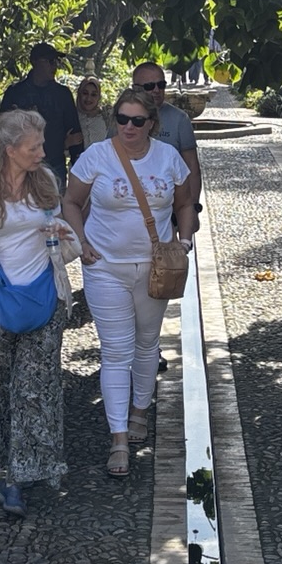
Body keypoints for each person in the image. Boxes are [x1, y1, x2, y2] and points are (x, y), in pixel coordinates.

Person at [63, 88, 197, 478]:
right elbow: (70, 202)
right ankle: (118, 437)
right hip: (105, 268)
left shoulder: (168, 157)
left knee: (147, 344)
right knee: (116, 351)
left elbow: (184, 203)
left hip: (156, 268)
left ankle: (140, 409)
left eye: (138, 120)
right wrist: (81, 241)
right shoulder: (97, 156)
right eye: (122, 119)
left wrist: (184, 241)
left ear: (152, 123)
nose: (129, 127)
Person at [0, 111, 74, 518]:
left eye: (42, 145)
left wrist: (60, 232)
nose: (42, 153)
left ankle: (19, 480)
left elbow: (55, 229)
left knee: (34, 390)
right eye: (34, 147)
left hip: (44, 298)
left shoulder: (44, 182)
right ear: (10, 150)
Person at [0, 44, 80, 190]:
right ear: (34, 62)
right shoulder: (15, 93)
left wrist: (78, 167)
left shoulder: (62, 94)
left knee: (54, 204)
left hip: (55, 165)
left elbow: (75, 134)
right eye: (50, 61)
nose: (54, 66)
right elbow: (3, 130)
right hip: (21, 166)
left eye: (56, 61)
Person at [131, 61, 202, 212]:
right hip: (128, 204)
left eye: (161, 85)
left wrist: (193, 207)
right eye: (149, 86)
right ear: (135, 89)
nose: (156, 90)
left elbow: (191, 166)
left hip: (171, 207)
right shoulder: (123, 118)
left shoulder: (179, 119)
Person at [72, 76, 112, 161]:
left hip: (103, 166)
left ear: (99, 97)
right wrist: (67, 143)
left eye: (93, 95)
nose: (88, 98)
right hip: (78, 166)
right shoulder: (72, 117)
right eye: (85, 93)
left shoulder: (106, 116)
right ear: (79, 94)